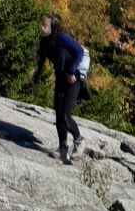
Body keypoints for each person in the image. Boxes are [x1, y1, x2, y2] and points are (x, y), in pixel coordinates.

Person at [30, 14, 90, 161]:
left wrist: (71, 71)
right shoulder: (44, 42)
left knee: (65, 115)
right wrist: (34, 81)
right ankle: (63, 150)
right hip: (60, 79)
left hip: (73, 79)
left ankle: (79, 140)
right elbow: (41, 61)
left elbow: (80, 52)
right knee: (59, 117)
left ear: (53, 27)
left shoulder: (62, 38)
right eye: (42, 24)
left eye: (45, 25)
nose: (42, 28)